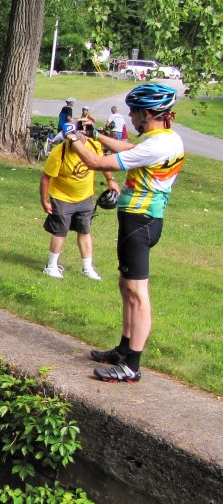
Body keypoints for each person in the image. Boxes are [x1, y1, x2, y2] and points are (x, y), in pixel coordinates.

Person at [65, 83, 185, 383]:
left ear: (147, 114)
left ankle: (132, 365)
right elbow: (131, 150)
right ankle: (123, 348)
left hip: (139, 223)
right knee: (126, 286)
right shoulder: (165, 139)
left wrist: (73, 138)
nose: (130, 116)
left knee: (138, 293)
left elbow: (94, 162)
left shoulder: (158, 144)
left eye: (133, 112)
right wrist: (95, 135)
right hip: (141, 222)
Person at [39, 122, 114, 280]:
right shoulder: (59, 152)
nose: (78, 141)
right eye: (73, 138)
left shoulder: (93, 145)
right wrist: (44, 201)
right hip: (62, 197)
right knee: (61, 231)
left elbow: (102, 163)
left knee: (85, 230)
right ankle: (51, 266)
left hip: (85, 197)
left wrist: (110, 180)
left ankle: (87, 268)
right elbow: (46, 177)